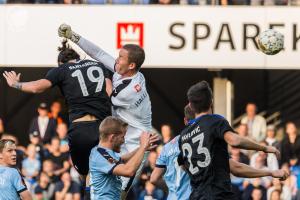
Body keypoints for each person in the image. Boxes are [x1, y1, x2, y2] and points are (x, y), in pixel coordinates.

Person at [58, 23, 152, 195]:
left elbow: (107, 90)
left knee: (116, 193)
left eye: (121, 57)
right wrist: (74, 36)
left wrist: (95, 74)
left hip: (134, 144)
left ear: (131, 65)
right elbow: (100, 53)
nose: (116, 60)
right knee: (97, 184)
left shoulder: (128, 91)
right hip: (120, 140)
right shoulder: (128, 73)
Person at [3, 40, 112, 182]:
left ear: (61, 62)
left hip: (81, 130)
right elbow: (109, 92)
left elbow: (38, 87)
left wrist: (15, 84)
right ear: (77, 57)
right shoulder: (99, 65)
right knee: (107, 174)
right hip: (103, 128)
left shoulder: (62, 70)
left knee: (85, 176)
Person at [151, 104, 288, 200]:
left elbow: (154, 178)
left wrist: (172, 191)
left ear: (185, 120)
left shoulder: (167, 147)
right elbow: (236, 167)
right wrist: (270, 171)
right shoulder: (205, 141)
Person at [177, 81, 283, 200]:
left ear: (191, 105)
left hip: (196, 196)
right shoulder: (215, 121)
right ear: (211, 101)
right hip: (218, 195)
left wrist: (270, 172)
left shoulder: (183, 136)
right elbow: (235, 141)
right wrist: (265, 148)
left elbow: (183, 165)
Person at [89, 116, 159, 199]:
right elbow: (128, 171)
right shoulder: (101, 155)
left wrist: (142, 148)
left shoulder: (103, 152)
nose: (123, 141)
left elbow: (121, 159)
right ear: (112, 137)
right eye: (122, 137)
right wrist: (142, 147)